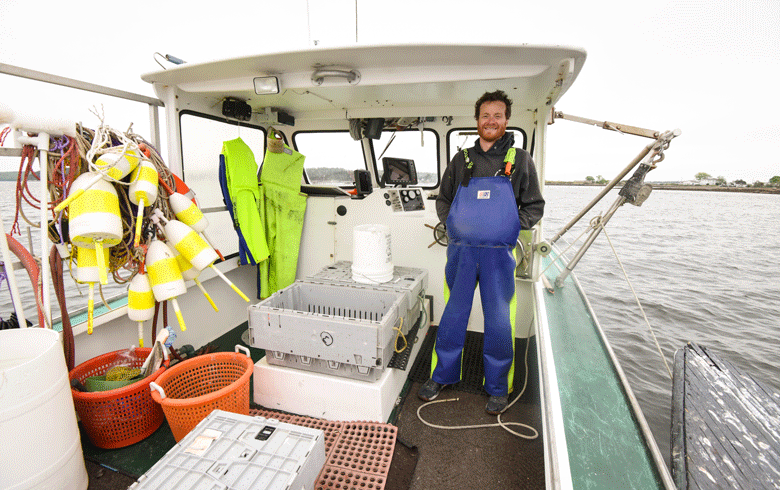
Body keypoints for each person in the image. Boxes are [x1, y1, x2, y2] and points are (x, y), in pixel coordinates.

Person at [419, 90, 545, 414]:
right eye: (485, 115)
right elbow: (443, 199)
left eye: (498, 115)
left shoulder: (520, 161)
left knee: (501, 321)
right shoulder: (461, 160)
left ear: (506, 121)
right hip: (461, 253)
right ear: (477, 121)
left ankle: (499, 388)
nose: (491, 121)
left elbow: (534, 206)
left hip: (497, 257)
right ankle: (441, 376)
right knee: (452, 316)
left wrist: (509, 228)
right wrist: (453, 225)